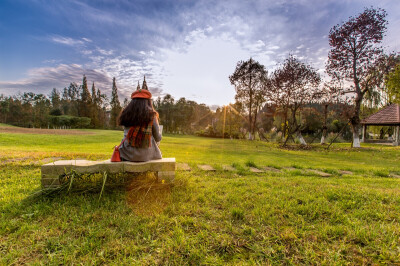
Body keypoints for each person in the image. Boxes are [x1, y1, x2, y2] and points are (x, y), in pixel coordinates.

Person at [118, 89, 162, 162]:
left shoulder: (125, 113)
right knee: (156, 137)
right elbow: (158, 138)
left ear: (132, 102)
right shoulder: (152, 115)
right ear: (148, 102)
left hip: (127, 154)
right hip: (147, 155)